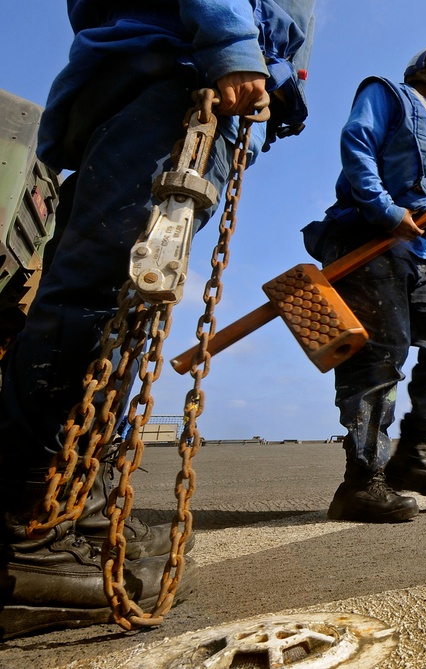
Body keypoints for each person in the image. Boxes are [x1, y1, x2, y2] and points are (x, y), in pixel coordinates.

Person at [0, 0, 315, 640]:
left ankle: (79, 507)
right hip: (177, 69)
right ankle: (27, 532)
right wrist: (232, 43)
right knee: (108, 292)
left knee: (124, 301)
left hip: (175, 72)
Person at [302, 46, 426, 524]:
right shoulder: (389, 95)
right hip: (364, 234)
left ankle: (409, 457)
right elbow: (357, 145)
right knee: (380, 354)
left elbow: (425, 199)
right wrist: (384, 210)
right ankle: (361, 482)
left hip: (415, 250)